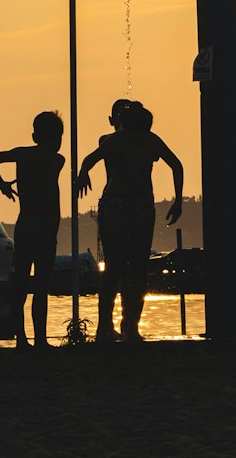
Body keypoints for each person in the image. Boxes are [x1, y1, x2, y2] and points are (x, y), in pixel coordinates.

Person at [78, 98, 183, 345]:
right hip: (120, 204)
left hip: (137, 205)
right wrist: (83, 173)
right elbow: (90, 159)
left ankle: (130, 326)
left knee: (135, 268)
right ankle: (108, 327)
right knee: (119, 268)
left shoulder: (147, 140)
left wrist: (179, 199)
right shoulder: (120, 140)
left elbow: (176, 165)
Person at [0, 111, 65, 351]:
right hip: (45, 225)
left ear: (34, 135)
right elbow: (50, 184)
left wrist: (2, 185)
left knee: (20, 283)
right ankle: (39, 339)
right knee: (41, 285)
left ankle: (21, 339)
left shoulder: (23, 155)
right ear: (58, 138)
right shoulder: (57, 159)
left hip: (26, 223)